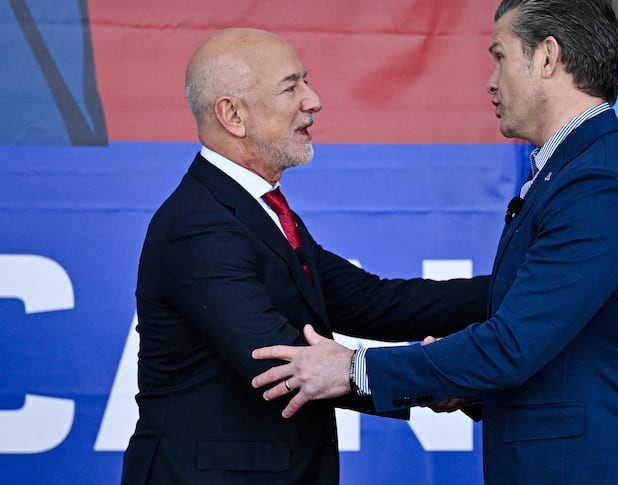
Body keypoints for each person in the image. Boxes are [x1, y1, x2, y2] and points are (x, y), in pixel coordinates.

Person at [251, 0, 618, 484]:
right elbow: (571, 348)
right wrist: (471, 388)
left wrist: (354, 368)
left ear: (548, 57)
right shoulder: (577, 170)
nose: (490, 81)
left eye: (500, 57)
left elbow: (512, 345)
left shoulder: (598, 181)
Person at [120, 27, 489, 484]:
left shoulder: (258, 212)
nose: (313, 100)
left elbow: (380, 303)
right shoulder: (200, 226)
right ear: (232, 114)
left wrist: (525, 284)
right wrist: (434, 377)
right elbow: (286, 364)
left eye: (306, 82)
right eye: (291, 86)